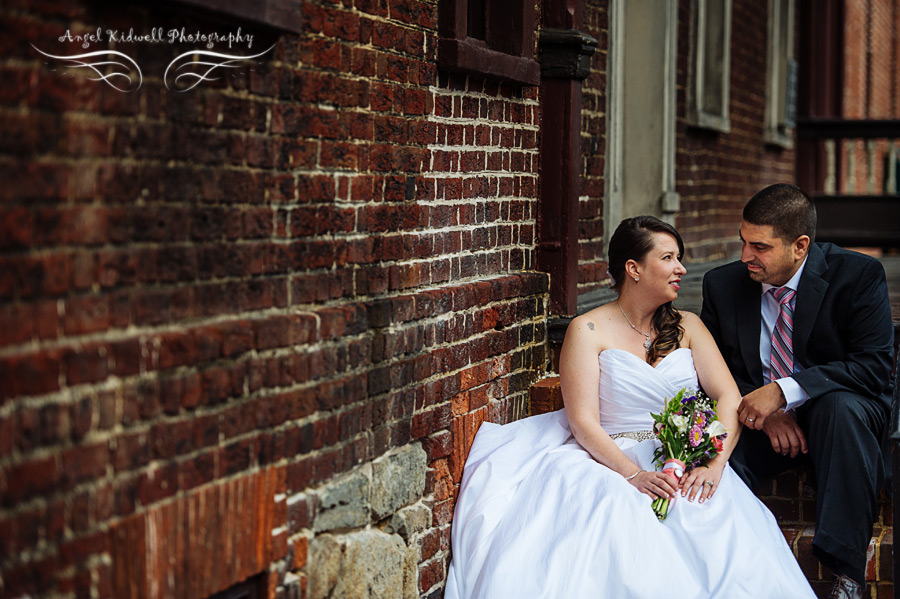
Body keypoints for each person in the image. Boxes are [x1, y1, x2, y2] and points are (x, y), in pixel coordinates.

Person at [445, 215, 814, 599]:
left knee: (720, 538)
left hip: (683, 458)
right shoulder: (587, 330)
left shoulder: (688, 326)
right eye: (669, 258)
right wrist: (633, 475)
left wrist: (713, 464)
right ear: (634, 268)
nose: (681, 268)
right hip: (607, 457)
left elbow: (727, 396)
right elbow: (583, 421)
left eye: (679, 258)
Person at [700, 183, 895, 599]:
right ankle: (723, 566)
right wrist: (767, 410)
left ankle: (846, 575)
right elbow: (712, 371)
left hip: (843, 411)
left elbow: (874, 367)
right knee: (716, 452)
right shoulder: (723, 285)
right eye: (742, 241)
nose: (745, 257)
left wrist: (785, 391)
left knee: (838, 410)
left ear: (800, 245)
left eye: (759, 247)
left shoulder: (857, 276)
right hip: (760, 418)